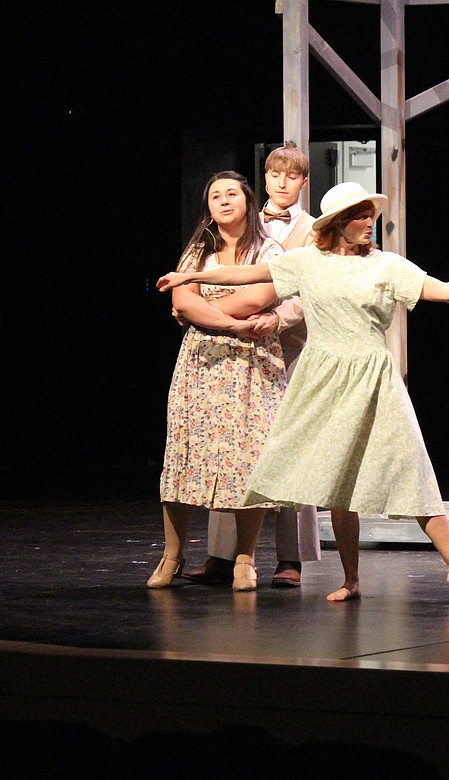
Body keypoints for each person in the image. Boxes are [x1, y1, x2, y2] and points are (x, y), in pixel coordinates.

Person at [158, 182, 449, 604]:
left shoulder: (387, 266)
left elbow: (447, 291)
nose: (369, 223)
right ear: (339, 223)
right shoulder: (307, 262)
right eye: (361, 216)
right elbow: (246, 274)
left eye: (370, 216)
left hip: (373, 378)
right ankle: (351, 579)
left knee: (412, 472)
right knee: (341, 484)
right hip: (322, 380)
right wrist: (193, 275)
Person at [184, 143, 322, 588]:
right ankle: (223, 555)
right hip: (235, 348)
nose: (282, 183)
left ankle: (291, 558)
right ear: (263, 179)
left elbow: (307, 293)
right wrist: (194, 307)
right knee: (231, 444)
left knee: (289, 448)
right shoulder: (238, 216)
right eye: (275, 174)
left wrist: (275, 318)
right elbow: (207, 274)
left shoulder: (315, 230)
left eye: (292, 176)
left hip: (290, 348)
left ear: (303, 182)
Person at [147, 170, 287, 591]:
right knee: (186, 456)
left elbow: (260, 297)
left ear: (247, 201)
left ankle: (245, 557)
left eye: (231, 194)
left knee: (248, 458)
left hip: (252, 365)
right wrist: (231, 323)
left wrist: (207, 310)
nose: (224, 201)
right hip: (202, 364)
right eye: (214, 196)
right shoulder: (198, 249)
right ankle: (172, 555)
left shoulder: (270, 248)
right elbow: (180, 301)